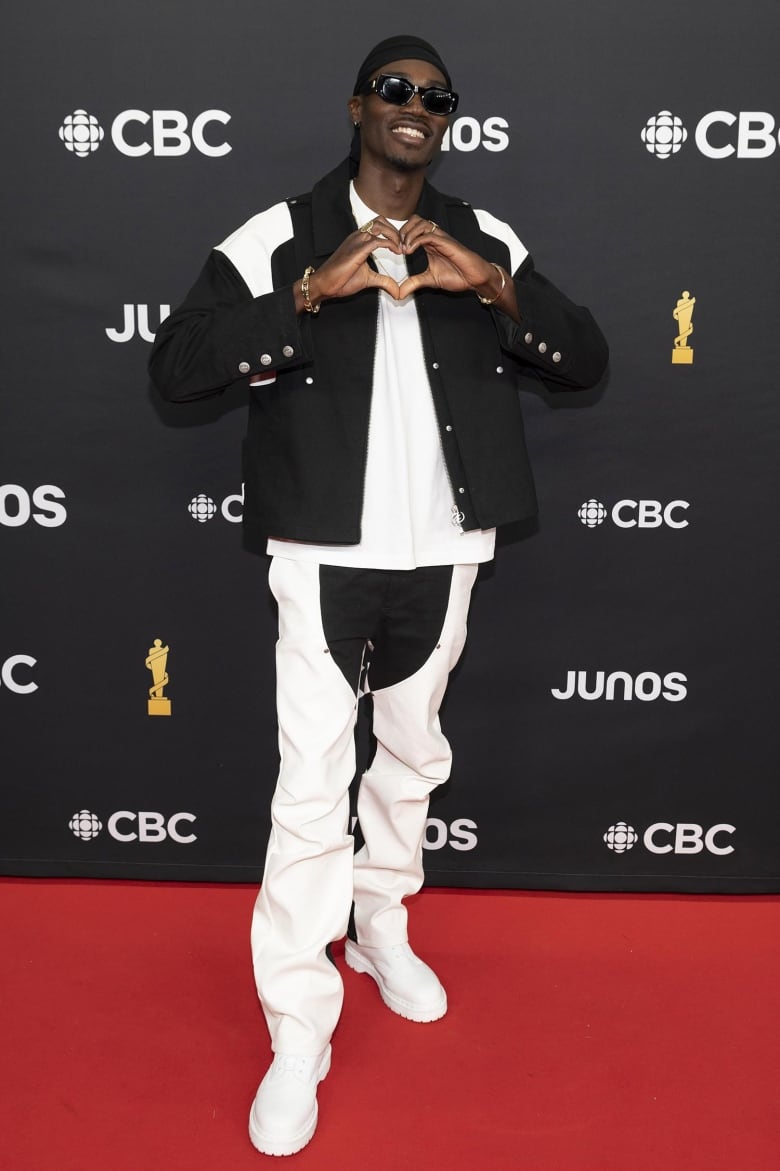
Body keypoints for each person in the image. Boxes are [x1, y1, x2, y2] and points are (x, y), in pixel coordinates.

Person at [149, 34, 608, 1158]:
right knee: (313, 786)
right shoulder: (276, 236)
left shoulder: (485, 236)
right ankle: (297, 1028)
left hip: (446, 550)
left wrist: (491, 284)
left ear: (449, 120)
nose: (414, 107)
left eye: (434, 97)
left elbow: (584, 360)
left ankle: (381, 926)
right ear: (358, 104)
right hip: (321, 555)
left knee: (411, 756)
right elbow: (175, 367)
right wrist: (312, 289)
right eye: (394, 89)